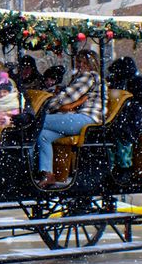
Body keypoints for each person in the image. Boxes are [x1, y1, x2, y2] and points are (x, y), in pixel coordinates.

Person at [36, 48, 104, 186]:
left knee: (36, 122)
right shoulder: (89, 78)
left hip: (86, 119)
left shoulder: (89, 76)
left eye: (83, 62)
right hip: (79, 117)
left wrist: (48, 104)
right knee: (43, 135)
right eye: (78, 62)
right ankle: (47, 173)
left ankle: (26, 168)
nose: (79, 66)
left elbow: (67, 97)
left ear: (91, 64)